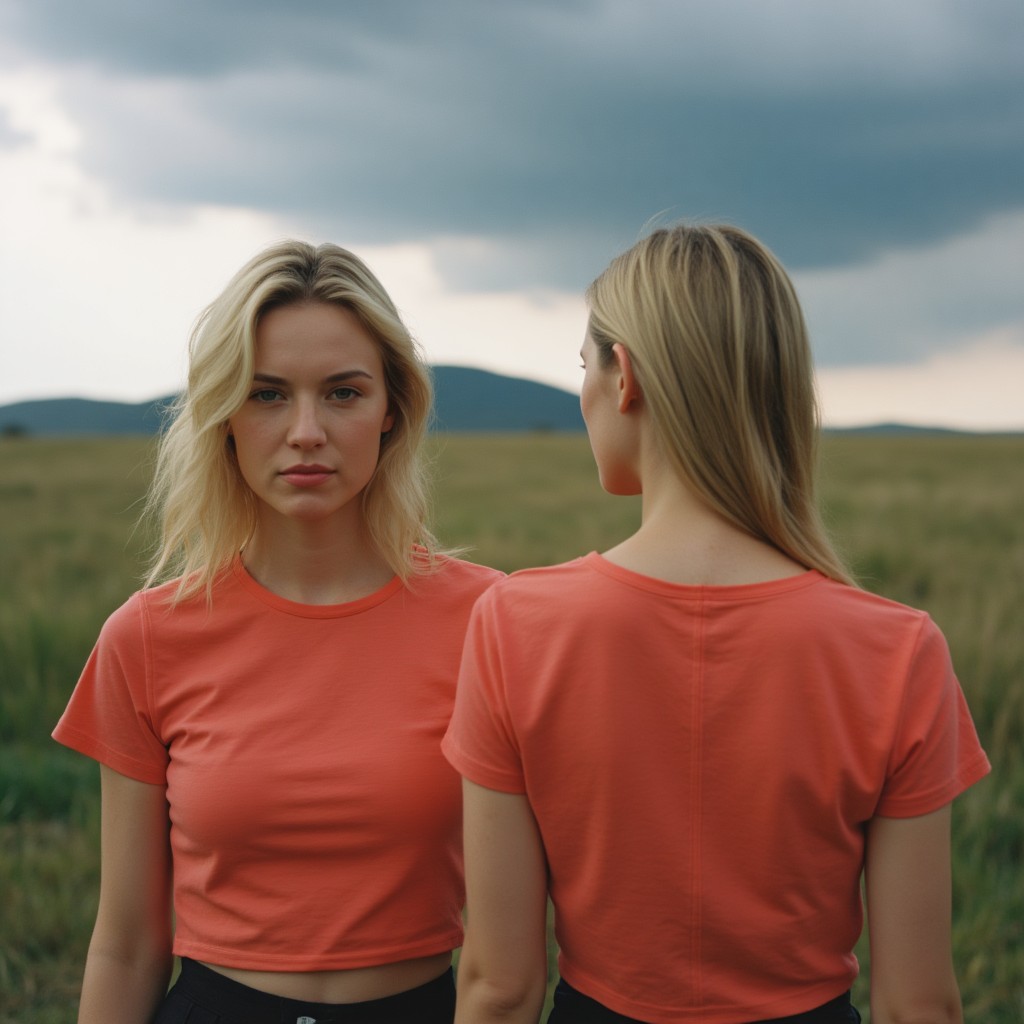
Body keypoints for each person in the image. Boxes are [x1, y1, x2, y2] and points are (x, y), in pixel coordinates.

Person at [442, 224, 990, 1024]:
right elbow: (917, 1006)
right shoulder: (899, 649)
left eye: (583, 369)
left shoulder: (515, 625)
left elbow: (500, 985)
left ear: (622, 375)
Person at [54, 240, 502, 1024]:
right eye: (266, 395)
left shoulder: (489, 623)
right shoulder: (147, 637)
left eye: (342, 393)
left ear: (391, 409)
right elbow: (126, 942)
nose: (305, 432)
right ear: (224, 414)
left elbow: (523, 940)